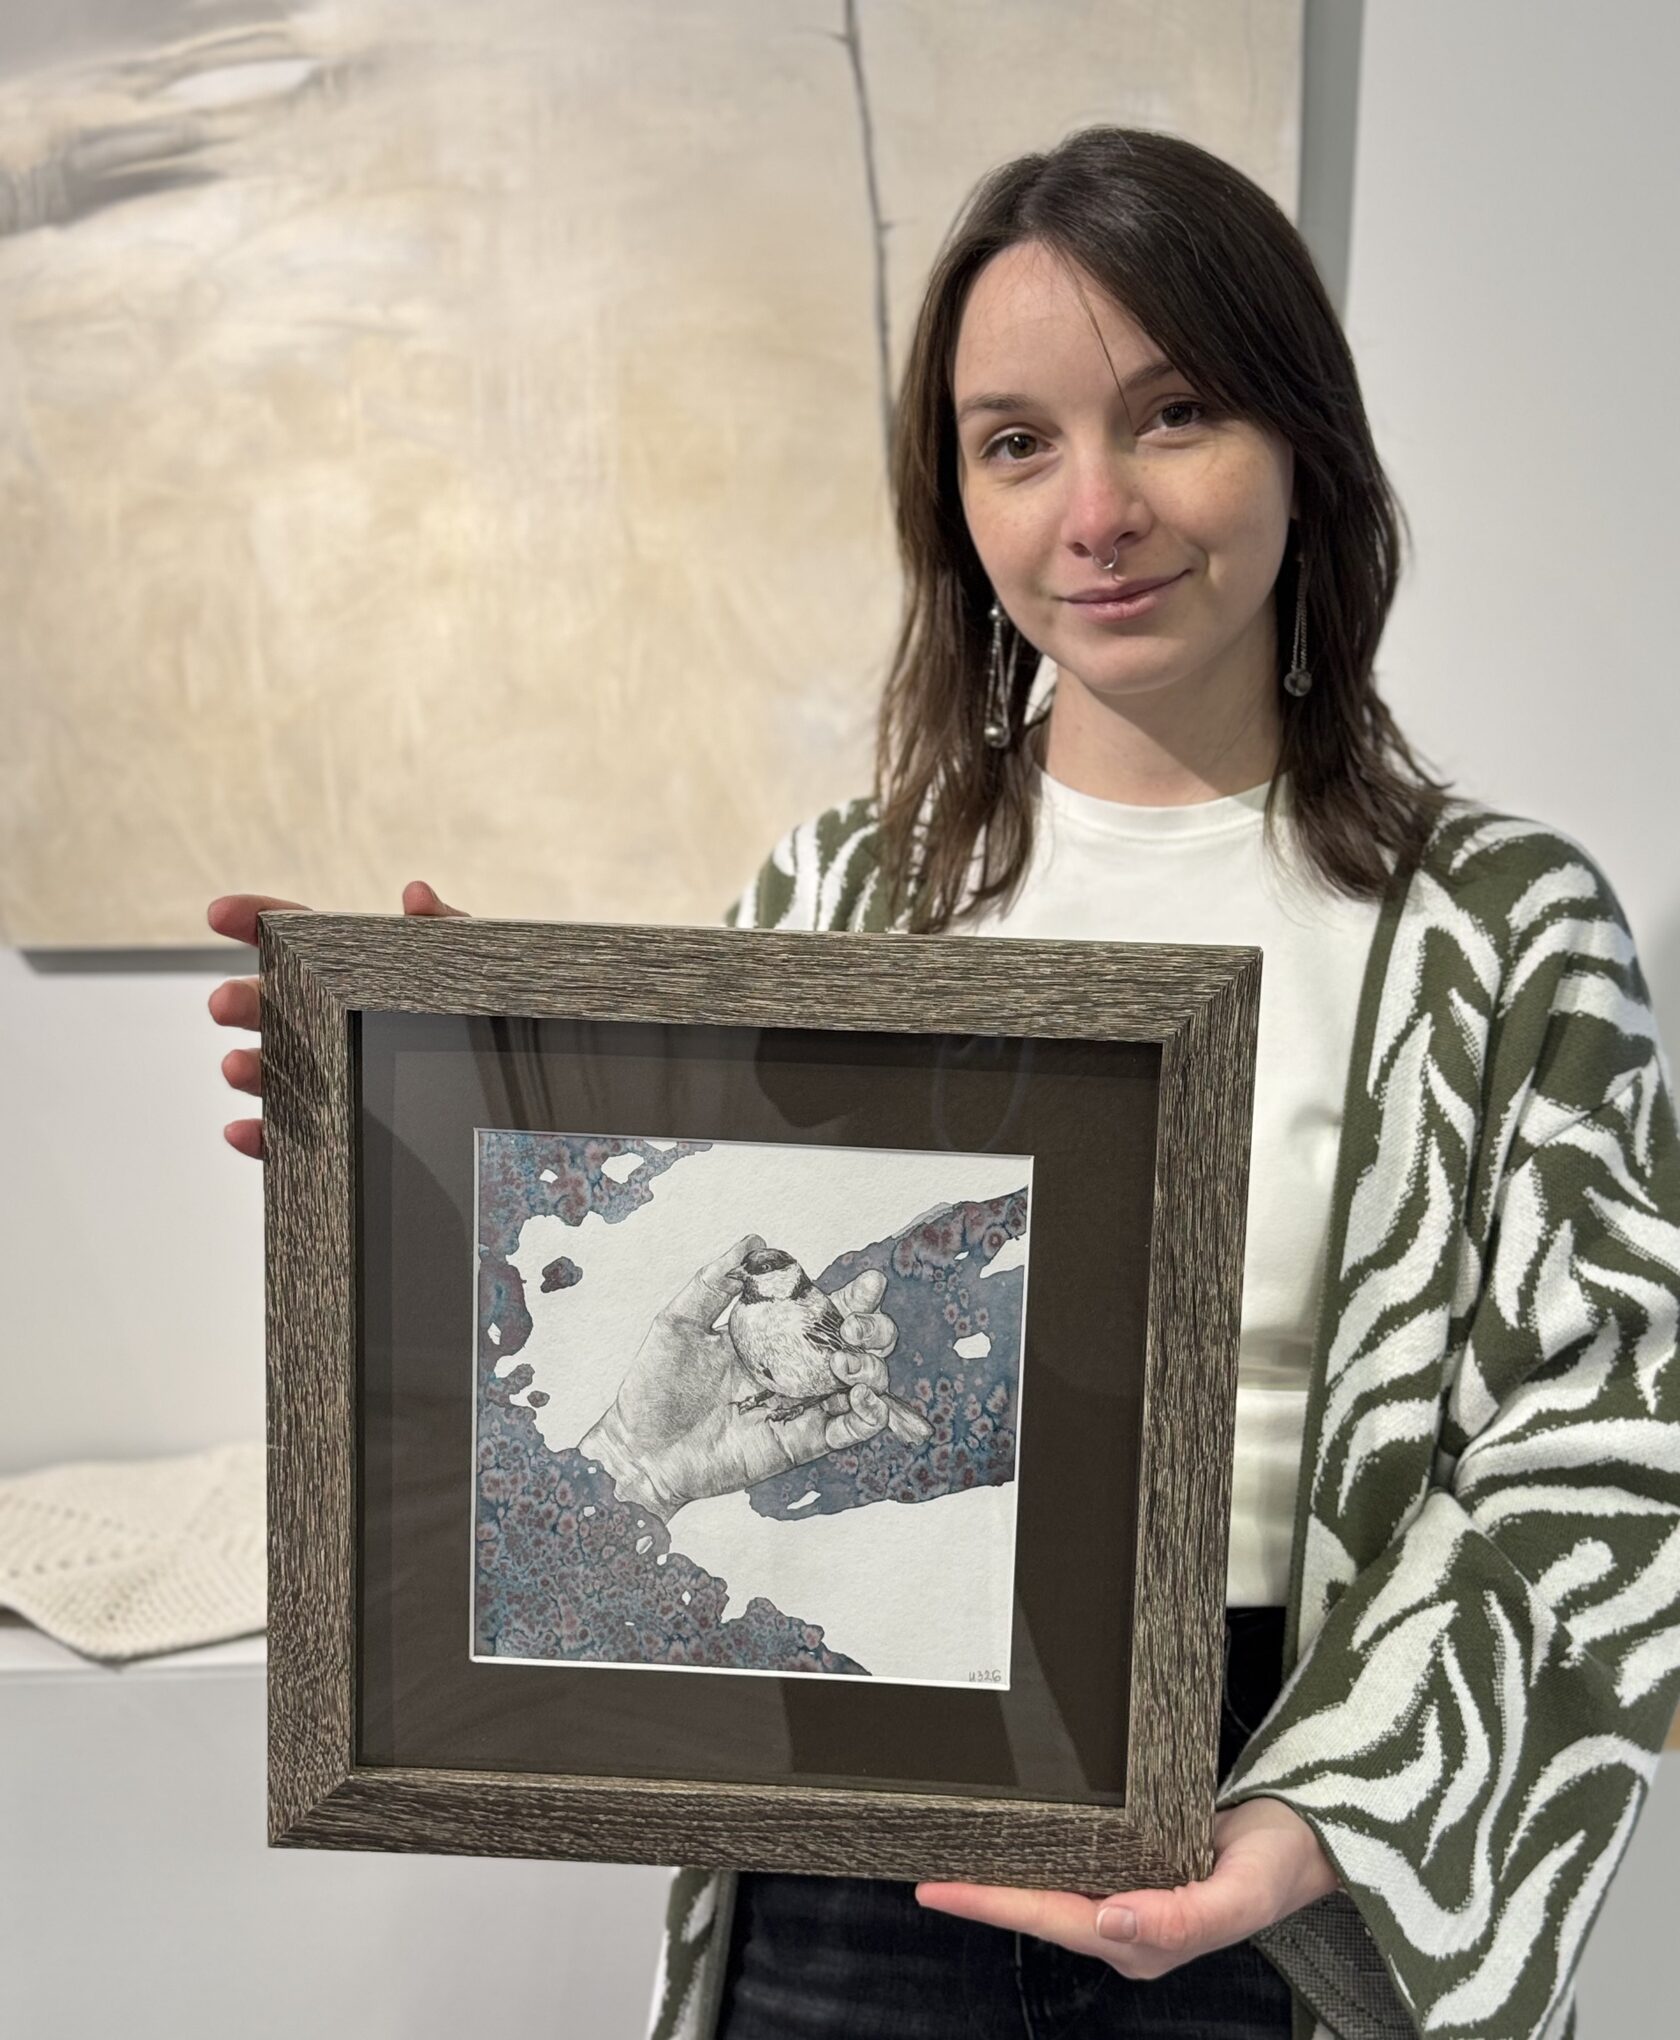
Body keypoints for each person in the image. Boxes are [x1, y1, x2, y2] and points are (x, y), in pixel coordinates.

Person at [208, 126, 1680, 2040]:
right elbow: (688, 1352)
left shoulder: (1497, 927)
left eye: (1175, 414)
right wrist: (460, 1118)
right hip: (848, 1839)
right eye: (1016, 442)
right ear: (954, 495)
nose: (1098, 511)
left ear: (1305, 443)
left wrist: (1315, 1823)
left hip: (1283, 1835)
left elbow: (1614, 1435)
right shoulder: (841, 893)